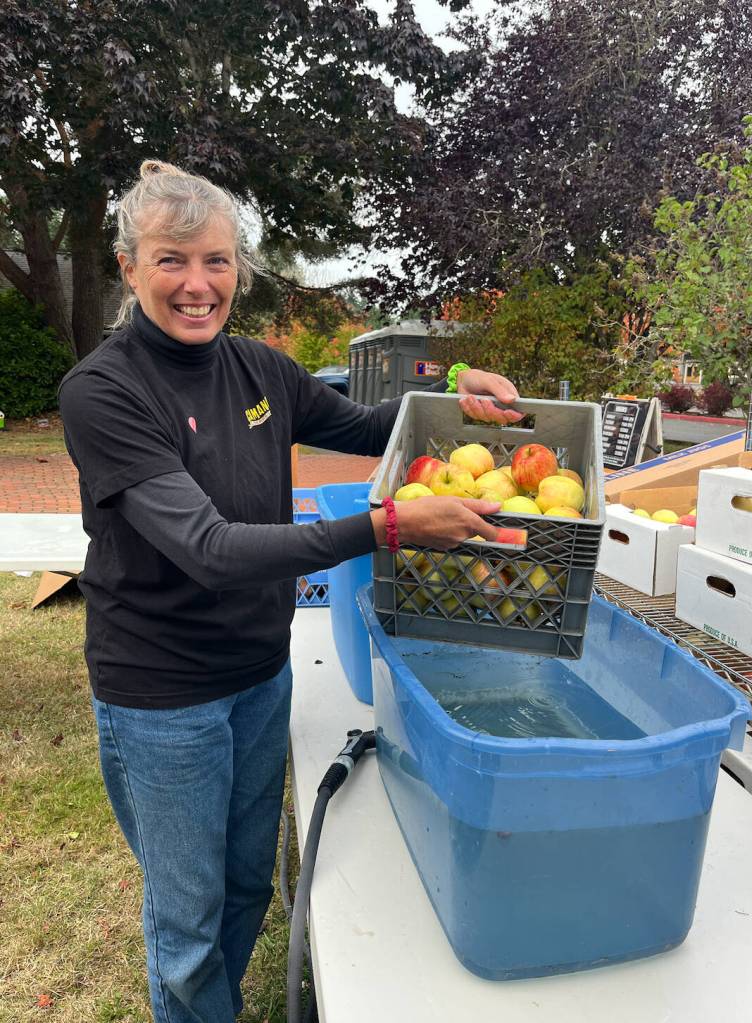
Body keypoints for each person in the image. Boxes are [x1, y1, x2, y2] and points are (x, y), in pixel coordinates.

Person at [58, 160, 522, 1023]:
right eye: (172, 260)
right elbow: (211, 548)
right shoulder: (104, 391)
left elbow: (363, 425)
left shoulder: (261, 370)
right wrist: (383, 529)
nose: (198, 285)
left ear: (239, 267)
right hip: (164, 697)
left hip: (260, 676)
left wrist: (456, 395)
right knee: (186, 921)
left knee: (244, 885)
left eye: (218, 261)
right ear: (128, 266)